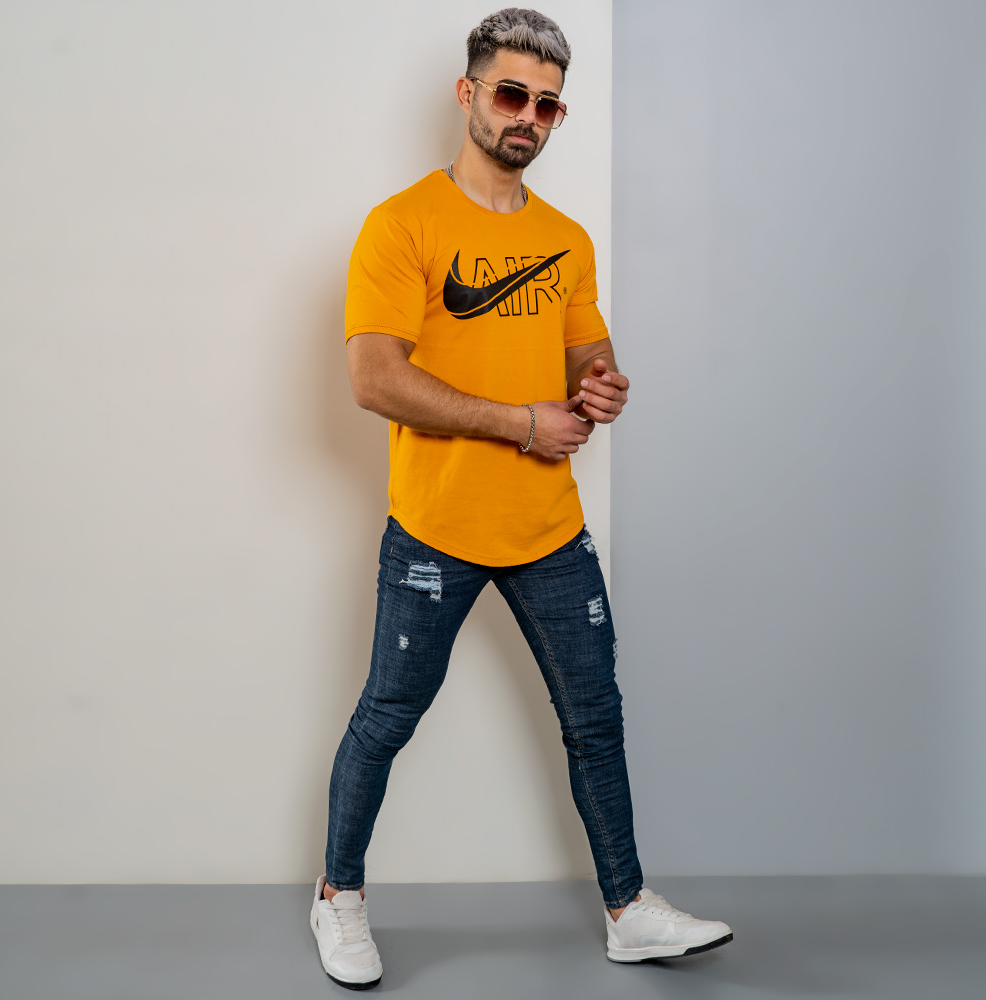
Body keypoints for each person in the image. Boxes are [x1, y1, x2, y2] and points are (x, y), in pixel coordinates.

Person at [309, 8, 733, 990]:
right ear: (468, 95)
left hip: (548, 530)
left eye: (548, 104)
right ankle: (338, 896)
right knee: (387, 716)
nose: (528, 117)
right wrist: (521, 423)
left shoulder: (565, 238)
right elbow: (374, 378)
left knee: (596, 719)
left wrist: (602, 387)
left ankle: (627, 910)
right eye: (511, 94)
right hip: (436, 529)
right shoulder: (401, 224)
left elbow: (590, 356)